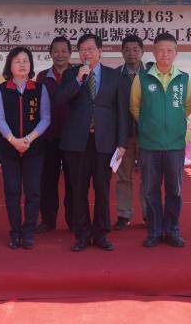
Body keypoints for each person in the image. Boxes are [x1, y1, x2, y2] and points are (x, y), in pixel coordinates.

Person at [58, 33, 127, 252]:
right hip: (77, 142)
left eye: (90, 49)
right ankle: (82, 234)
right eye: (82, 49)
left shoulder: (114, 76)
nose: (86, 53)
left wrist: (122, 142)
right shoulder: (71, 74)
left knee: (102, 190)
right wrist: (78, 80)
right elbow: (60, 99)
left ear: (100, 51)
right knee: (78, 190)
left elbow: (121, 111)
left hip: (104, 142)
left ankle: (101, 233)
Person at [130, 32, 191, 248]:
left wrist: (173, 124)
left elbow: (187, 107)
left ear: (176, 53)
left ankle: (173, 231)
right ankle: (155, 232)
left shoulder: (184, 78)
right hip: (149, 145)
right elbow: (135, 107)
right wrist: (148, 125)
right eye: (160, 50)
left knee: (175, 191)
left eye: (169, 50)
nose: (165, 54)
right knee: (151, 190)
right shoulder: (142, 78)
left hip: (175, 145)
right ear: (153, 52)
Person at [0, 47, 51, 249]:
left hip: (33, 149)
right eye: (17, 61)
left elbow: (46, 118)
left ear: (31, 64)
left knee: (33, 192)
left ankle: (28, 232)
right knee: (12, 191)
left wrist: (27, 139)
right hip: (9, 149)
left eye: (25, 60)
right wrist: (13, 140)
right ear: (10, 65)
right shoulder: (1, 89)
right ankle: (15, 232)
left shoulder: (39, 88)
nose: (22, 64)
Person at [36, 36, 74, 233]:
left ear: (70, 53)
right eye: (56, 51)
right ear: (50, 53)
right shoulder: (42, 77)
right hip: (48, 137)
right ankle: (48, 220)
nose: (60, 55)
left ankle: (73, 220)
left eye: (64, 51)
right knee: (47, 181)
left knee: (73, 181)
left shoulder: (79, 74)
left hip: (73, 138)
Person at [114, 34, 147, 230]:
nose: (131, 53)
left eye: (135, 49)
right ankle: (123, 214)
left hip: (147, 135)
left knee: (147, 177)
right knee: (123, 177)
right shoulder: (115, 76)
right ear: (122, 52)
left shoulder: (151, 74)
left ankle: (148, 213)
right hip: (123, 136)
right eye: (127, 50)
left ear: (142, 52)